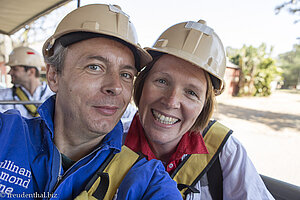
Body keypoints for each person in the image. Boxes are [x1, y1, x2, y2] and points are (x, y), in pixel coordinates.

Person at [0, 4, 182, 200]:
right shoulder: (6, 134)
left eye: (126, 74)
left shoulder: (147, 182)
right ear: (53, 76)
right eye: (95, 67)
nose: (116, 86)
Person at [124, 20, 274, 199]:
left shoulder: (224, 151)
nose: (171, 101)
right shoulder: (110, 141)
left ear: (204, 105)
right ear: (141, 85)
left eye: (191, 92)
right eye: (162, 81)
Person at [0, 46, 53, 118]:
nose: (9, 72)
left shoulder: (54, 96)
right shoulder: (3, 96)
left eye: (15, 69)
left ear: (31, 72)